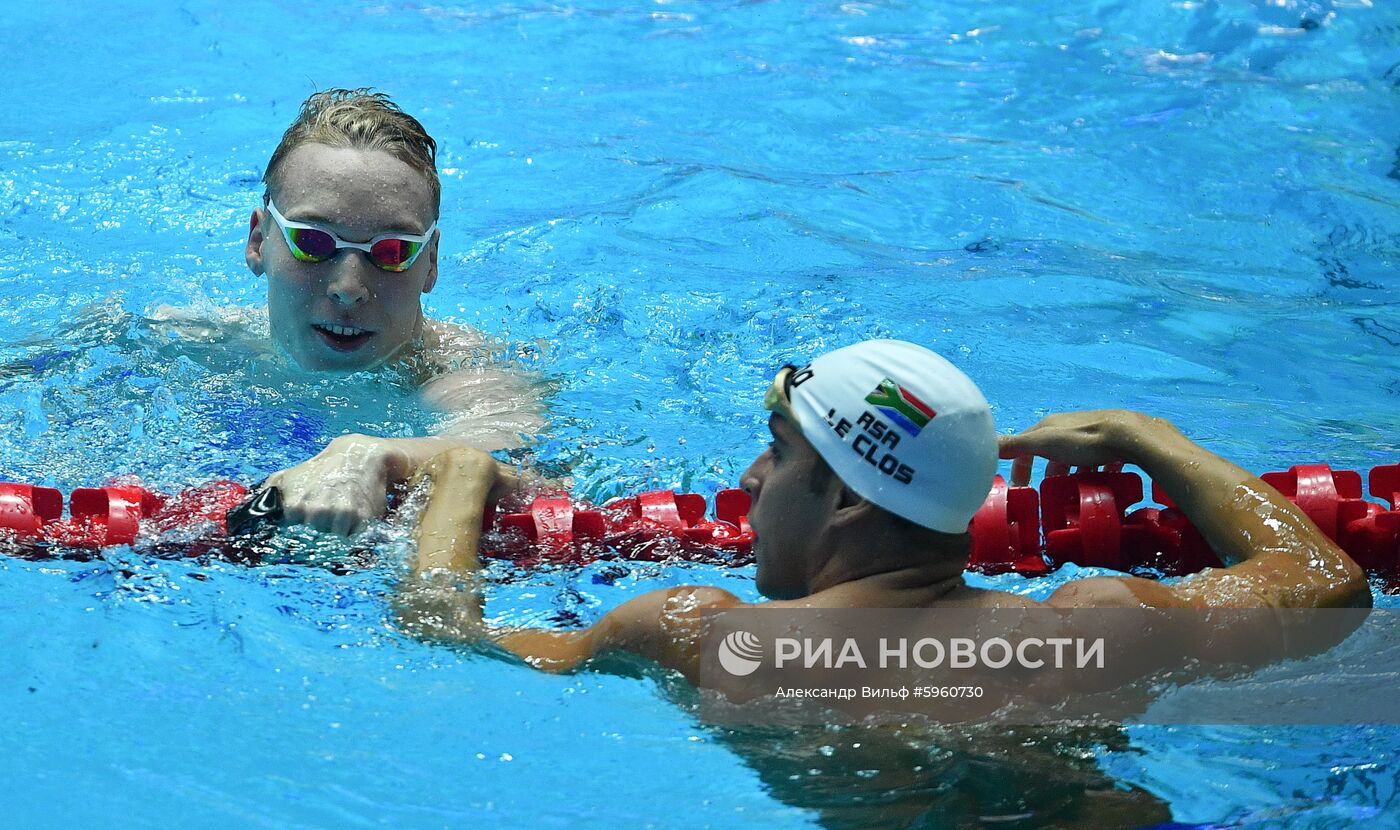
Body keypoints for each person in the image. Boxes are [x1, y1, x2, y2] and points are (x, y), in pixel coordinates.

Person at [393, 338, 1369, 678]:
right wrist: (1143, 435)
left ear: (849, 505)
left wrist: (462, 473)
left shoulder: (696, 637)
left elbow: (443, 624)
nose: (746, 480)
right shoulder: (1096, 633)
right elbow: (1328, 581)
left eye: (778, 456)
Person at [232, 88, 544, 533]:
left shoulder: (465, 372)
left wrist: (371, 455)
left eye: (393, 251)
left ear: (431, 262)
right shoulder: (193, 342)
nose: (349, 289)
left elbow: (509, 466)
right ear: (259, 242)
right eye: (313, 242)